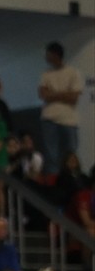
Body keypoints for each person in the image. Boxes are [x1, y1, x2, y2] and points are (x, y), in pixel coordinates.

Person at [37, 42, 82, 177]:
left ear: (55, 55)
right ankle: (54, 182)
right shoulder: (46, 74)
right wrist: (64, 93)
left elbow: (74, 98)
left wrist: (53, 94)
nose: (46, 57)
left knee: (71, 153)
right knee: (51, 155)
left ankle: (72, 179)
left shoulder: (73, 72)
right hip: (49, 119)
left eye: (48, 54)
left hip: (69, 120)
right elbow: (43, 95)